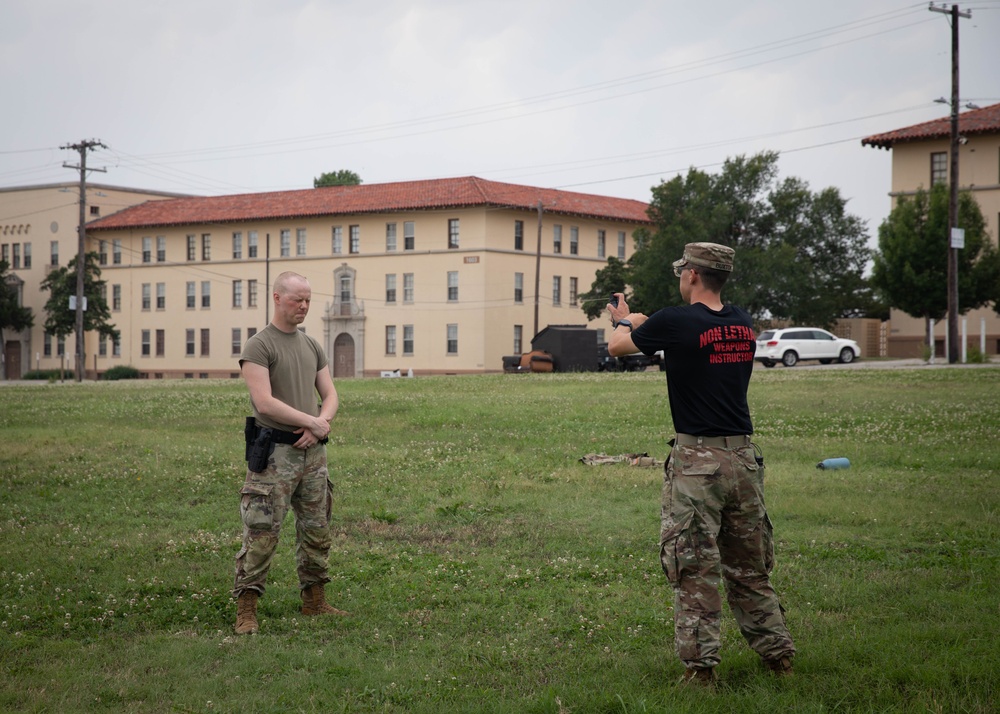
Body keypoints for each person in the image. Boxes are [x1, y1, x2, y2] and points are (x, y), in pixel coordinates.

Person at [607, 242, 795, 686]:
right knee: (750, 569)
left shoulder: (677, 322)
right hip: (744, 459)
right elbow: (675, 327)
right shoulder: (740, 321)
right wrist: (642, 320)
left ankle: (701, 670)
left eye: (681, 271)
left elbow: (619, 346)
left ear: (691, 274)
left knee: (694, 568)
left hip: (698, 463)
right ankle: (779, 658)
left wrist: (620, 321)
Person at [233, 271, 346, 635]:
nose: (304, 306)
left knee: (317, 529)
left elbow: (330, 395)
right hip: (274, 455)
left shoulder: (311, 345)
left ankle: (315, 601)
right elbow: (264, 403)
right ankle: (247, 609)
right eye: (298, 299)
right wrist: (311, 422)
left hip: (312, 454)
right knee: (262, 532)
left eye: (308, 300)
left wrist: (320, 423)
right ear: (277, 297)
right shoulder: (259, 346)